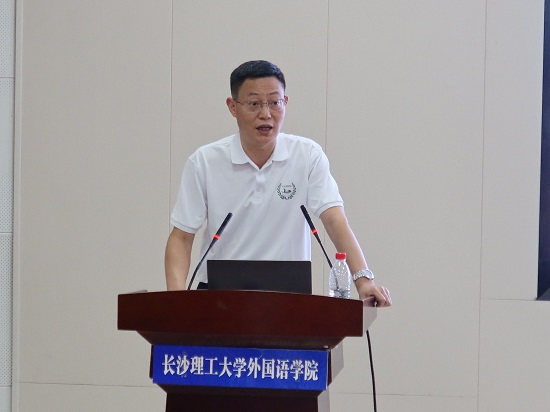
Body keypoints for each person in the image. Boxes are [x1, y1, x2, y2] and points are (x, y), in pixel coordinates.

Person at [165, 60, 391, 307]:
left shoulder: (307, 156)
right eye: (254, 104)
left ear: (286, 102)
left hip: (288, 297)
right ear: (233, 107)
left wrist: (363, 280)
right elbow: (181, 238)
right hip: (218, 295)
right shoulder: (204, 162)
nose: (266, 114)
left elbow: (334, 219)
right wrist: (177, 301)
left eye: (275, 102)